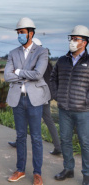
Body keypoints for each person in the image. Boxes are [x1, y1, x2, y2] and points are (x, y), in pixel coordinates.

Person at [4, 18, 50, 185]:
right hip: (18, 99)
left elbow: (38, 74)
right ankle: (20, 170)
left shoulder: (41, 52)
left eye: (22, 32)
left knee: (36, 138)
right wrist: (23, 73)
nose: (19, 35)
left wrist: (18, 71)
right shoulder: (13, 53)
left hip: (34, 100)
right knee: (21, 136)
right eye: (18, 32)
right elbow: (7, 76)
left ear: (31, 33)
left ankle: (37, 173)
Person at [8, 38, 61, 155]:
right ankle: (58, 146)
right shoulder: (47, 63)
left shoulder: (39, 62)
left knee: (41, 120)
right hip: (44, 96)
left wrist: (18, 72)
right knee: (46, 120)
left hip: (39, 96)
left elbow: (32, 77)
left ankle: (58, 146)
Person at [50, 25, 89, 185]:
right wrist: (56, 95)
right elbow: (53, 79)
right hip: (64, 109)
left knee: (85, 142)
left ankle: (87, 174)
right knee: (65, 139)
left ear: (84, 43)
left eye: (75, 39)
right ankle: (68, 169)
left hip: (83, 111)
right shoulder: (62, 60)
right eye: (71, 39)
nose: (72, 41)